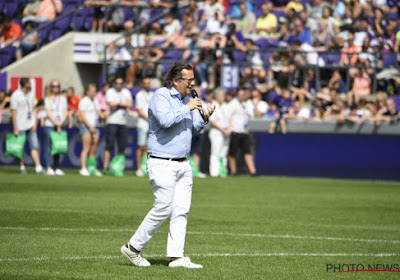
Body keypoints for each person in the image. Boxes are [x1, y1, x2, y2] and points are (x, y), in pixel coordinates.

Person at [121, 62, 215, 268]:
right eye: (188, 80)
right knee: (163, 207)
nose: (192, 84)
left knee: (181, 210)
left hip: (183, 162)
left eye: (193, 80)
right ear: (176, 80)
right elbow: (164, 120)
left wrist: (204, 118)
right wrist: (187, 107)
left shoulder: (185, 100)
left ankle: (177, 256)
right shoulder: (161, 96)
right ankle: (132, 248)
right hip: (162, 162)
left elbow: (192, 129)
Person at [10, 78, 44, 175]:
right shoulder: (16, 95)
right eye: (29, 83)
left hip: (30, 124)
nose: (31, 84)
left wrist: (34, 122)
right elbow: (13, 112)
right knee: (20, 147)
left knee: (35, 146)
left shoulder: (31, 94)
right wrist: (15, 128)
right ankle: (22, 167)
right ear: (25, 84)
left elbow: (33, 109)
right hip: (20, 125)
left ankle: (38, 168)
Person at [102, 77, 133, 173]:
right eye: (116, 83)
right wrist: (123, 104)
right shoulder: (110, 91)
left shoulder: (126, 92)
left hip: (123, 122)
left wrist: (118, 104)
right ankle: (105, 167)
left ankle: (119, 167)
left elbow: (130, 104)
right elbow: (111, 104)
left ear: (123, 83)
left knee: (122, 146)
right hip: (112, 121)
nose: (118, 85)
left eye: (120, 83)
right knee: (109, 146)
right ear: (114, 83)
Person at [227, 89, 257, 176]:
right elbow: (229, 117)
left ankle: (253, 171)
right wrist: (229, 128)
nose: (242, 96)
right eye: (240, 94)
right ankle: (233, 171)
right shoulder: (232, 104)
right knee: (233, 152)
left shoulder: (245, 104)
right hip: (235, 131)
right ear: (237, 95)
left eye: (243, 94)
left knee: (247, 151)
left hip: (244, 131)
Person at [43, 79, 68, 176]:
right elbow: (48, 113)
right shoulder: (47, 98)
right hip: (50, 124)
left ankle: (56, 167)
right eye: (53, 86)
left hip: (60, 124)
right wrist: (56, 123)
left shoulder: (63, 98)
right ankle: (49, 167)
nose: (55, 88)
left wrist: (60, 123)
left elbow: (65, 111)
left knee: (58, 146)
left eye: (57, 86)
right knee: (48, 147)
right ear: (50, 87)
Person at [78, 83, 103, 176]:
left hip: (95, 126)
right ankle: (83, 168)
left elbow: (99, 112)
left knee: (93, 148)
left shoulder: (95, 100)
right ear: (87, 92)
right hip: (87, 127)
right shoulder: (84, 101)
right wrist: (90, 126)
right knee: (86, 148)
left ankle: (92, 167)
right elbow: (82, 115)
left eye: (94, 91)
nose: (93, 93)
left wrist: (104, 114)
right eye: (92, 91)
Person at [208, 89, 231, 177]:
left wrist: (228, 129)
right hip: (216, 132)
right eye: (221, 96)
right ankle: (214, 173)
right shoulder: (212, 105)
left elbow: (229, 119)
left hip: (226, 132)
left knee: (224, 152)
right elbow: (212, 121)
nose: (223, 97)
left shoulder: (225, 106)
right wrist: (222, 129)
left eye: (223, 96)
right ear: (216, 97)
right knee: (215, 152)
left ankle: (223, 171)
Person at [134, 77, 153, 177]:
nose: (147, 85)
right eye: (145, 83)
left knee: (147, 147)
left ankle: (144, 167)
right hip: (142, 124)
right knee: (140, 146)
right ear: (142, 84)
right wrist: (150, 120)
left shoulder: (152, 94)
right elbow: (140, 111)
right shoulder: (139, 95)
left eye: (149, 83)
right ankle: (138, 169)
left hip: (150, 124)